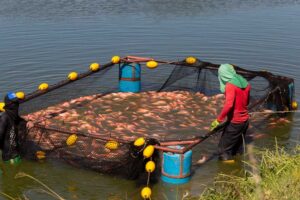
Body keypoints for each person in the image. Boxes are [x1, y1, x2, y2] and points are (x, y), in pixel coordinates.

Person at [210, 64, 251, 161]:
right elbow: (247, 102)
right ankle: (238, 169)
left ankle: (227, 174)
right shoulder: (245, 82)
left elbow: (229, 105)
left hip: (235, 123)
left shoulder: (230, 86)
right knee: (237, 149)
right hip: (245, 122)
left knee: (223, 151)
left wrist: (218, 120)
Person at [0, 92, 22, 164]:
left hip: (16, 153)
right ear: (9, 104)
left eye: (17, 102)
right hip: (9, 157)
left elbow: (21, 121)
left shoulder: (14, 116)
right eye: (14, 103)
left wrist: (29, 122)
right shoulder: (4, 118)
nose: (16, 105)